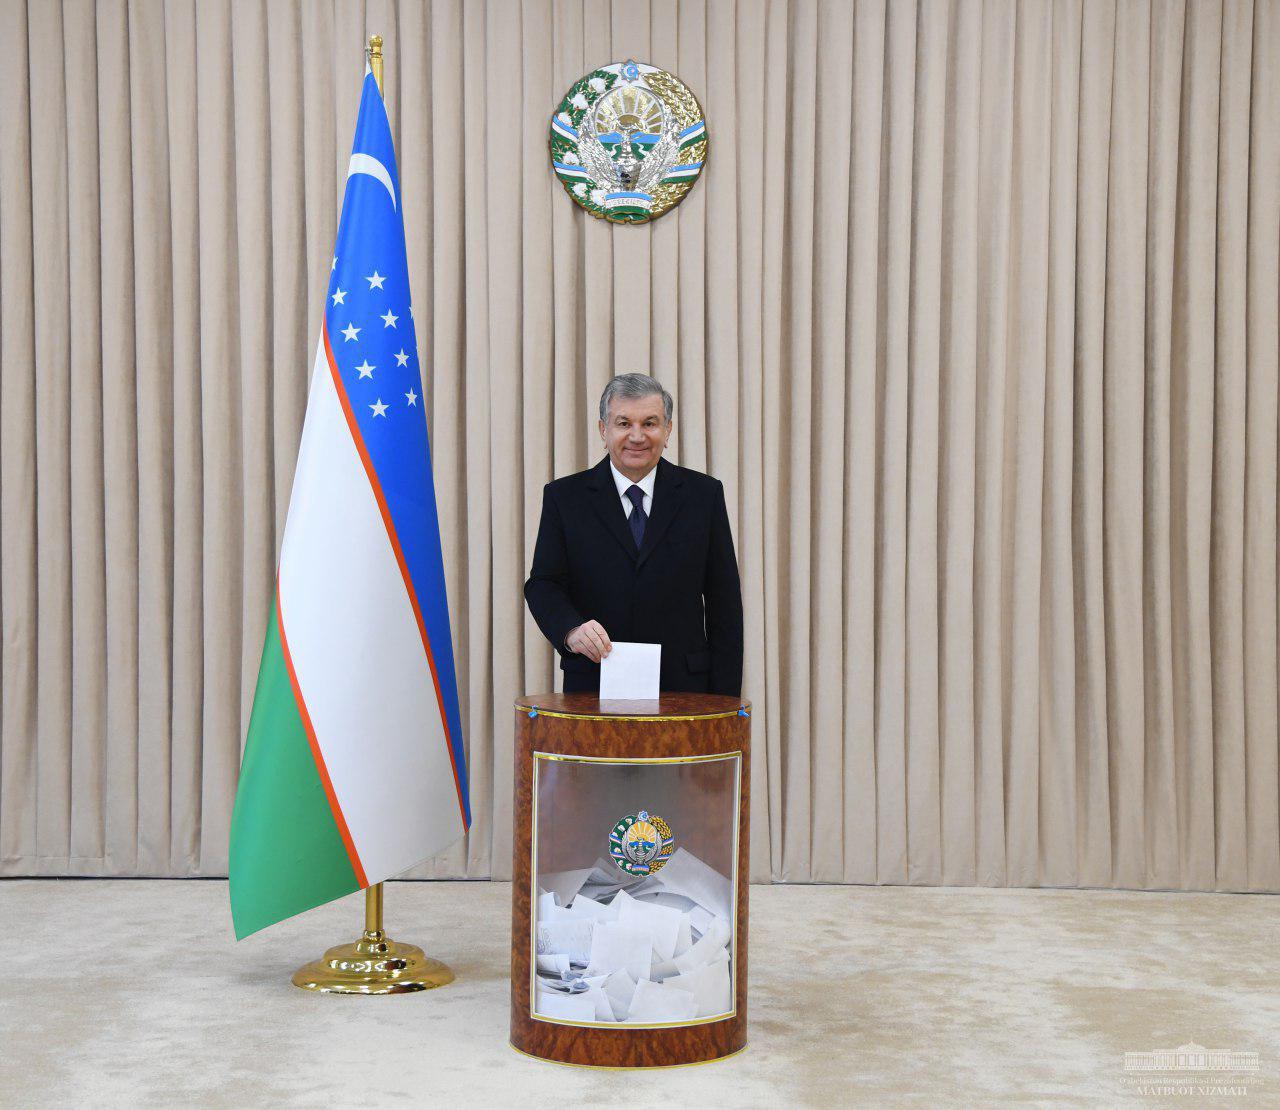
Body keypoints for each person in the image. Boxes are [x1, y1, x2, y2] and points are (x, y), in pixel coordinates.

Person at [524, 373, 743, 696]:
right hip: (593, 682)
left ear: (668, 430)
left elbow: (725, 603)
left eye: (650, 423)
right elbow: (544, 584)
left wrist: (726, 707)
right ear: (604, 430)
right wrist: (571, 630)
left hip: (685, 690)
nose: (637, 436)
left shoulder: (703, 496)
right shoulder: (565, 497)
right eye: (624, 423)